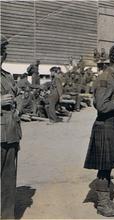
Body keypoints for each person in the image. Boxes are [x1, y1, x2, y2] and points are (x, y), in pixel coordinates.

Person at [84, 45, 114, 217]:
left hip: (112, 124)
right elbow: (102, 106)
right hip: (105, 126)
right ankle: (102, 204)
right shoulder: (105, 78)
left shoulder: (113, 76)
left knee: (109, 164)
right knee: (104, 166)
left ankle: (106, 200)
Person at [1, 34, 22, 219]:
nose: (2, 55)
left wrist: (19, 104)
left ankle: (7, 216)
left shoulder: (7, 76)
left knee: (8, 179)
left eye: (3, 51)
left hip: (11, 132)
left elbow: (19, 95)